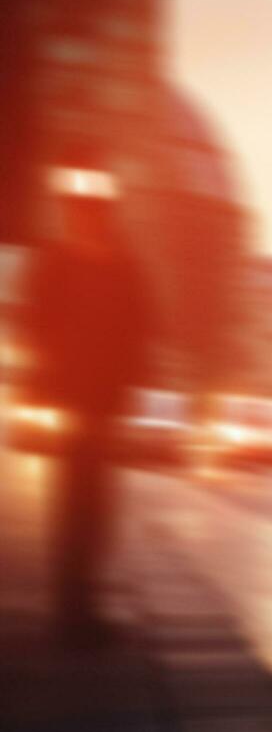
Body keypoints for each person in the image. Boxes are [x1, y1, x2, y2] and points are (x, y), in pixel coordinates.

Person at [19, 147, 151, 646]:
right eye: (81, 213)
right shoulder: (61, 263)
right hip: (76, 403)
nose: (87, 220)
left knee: (96, 506)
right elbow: (36, 323)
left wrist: (127, 386)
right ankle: (71, 608)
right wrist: (51, 374)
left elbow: (139, 330)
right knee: (73, 504)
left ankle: (83, 602)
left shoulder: (121, 267)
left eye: (93, 213)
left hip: (103, 403)